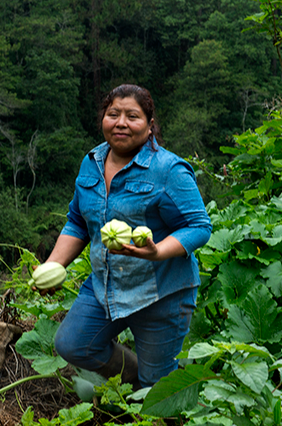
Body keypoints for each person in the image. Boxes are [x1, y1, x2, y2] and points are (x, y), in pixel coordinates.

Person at [36, 84, 211, 389]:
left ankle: (153, 389)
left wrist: (158, 251)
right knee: (73, 344)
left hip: (162, 293)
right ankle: (135, 380)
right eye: (113, 113)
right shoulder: (90, 163)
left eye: (133, 116)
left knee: (157, 391)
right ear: (103, 117)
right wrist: (53, 266)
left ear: (149, 124)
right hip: (106, 285)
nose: (120, 122)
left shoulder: (168, 169)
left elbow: (199, 226)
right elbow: (77, 222)